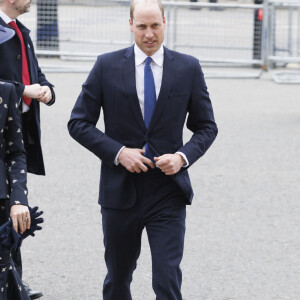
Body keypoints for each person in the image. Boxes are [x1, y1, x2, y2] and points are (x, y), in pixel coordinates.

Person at [68, 0, 218, 298]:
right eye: (141, 27)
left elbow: (207, 127)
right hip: (120, 192)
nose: (149, 34)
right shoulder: (106, 65)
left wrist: (182, 157)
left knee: (166, 280)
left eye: (155, 26)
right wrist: (119, 152)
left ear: (165, 22)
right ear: (130, 25)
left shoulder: (188, 67)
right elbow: (78, 123)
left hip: (167, 191)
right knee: (119, 278)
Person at [0, 0, 56, 298]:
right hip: (2, 132)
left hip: (19, 131)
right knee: (9, 209)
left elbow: (35, 73)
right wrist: (22, 91)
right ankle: (13, 282)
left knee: (13, 209)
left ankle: (14, 280)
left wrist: (47, 90)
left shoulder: (20, 31)